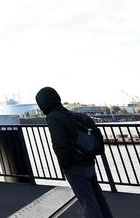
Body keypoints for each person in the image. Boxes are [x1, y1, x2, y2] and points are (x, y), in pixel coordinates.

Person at [36, 87, 113, 218]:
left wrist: (65, 165)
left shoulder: (53, 117)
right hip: (89, 161)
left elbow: (60, 144)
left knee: (88, 203)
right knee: (98, 198)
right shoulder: (75, 115)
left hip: (75, 166)